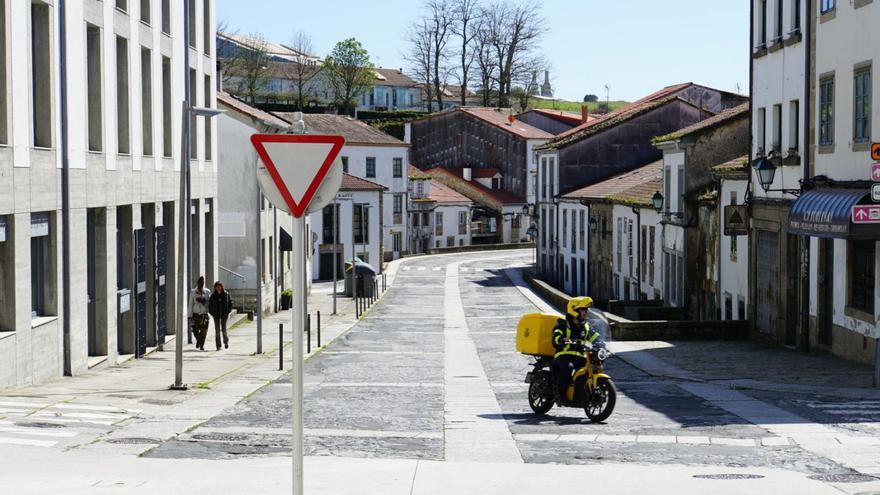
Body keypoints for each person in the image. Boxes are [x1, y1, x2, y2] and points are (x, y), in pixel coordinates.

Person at [552, 296, 601, 402]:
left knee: (592, 367)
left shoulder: (586, 325)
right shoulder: (563, 323)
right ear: (574, 310)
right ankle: (560, 393)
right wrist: (561, 339)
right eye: (583, 310)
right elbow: (556, 335)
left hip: (580, 356)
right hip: (564, 355)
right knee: (568, 367)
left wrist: (601, 344)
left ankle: (583, 392)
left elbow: (594, 336)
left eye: (586, 310)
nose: (585, 313)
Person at [208, 281, 234, 351]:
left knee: (224, 330)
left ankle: (226, 342)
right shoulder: (213, 295)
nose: (218, 288)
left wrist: (228, 311)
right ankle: (218, 346)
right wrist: (212, 313)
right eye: (217, 287)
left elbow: (231, 303)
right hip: (216, 315)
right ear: (215, 288)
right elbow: (210, 305)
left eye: (219, 287)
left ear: (222, 287)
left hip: (224, 315)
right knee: (217, 331)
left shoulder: (226, 294)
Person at [188, 276, 211, 351]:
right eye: (200, 282)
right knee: (195, 331)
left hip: (204, 315)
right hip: (195, 315)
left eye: (203, 282)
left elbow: (209, 303)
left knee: (204, 331)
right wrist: (189, 316)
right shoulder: (193, 292)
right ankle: (198, 341)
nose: (201, 283)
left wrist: (204, 301)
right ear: (198, 283)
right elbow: (190, 305)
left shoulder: (207, 292)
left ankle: (201, 345)